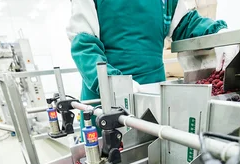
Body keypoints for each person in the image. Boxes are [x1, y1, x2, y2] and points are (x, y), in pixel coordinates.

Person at [67, 0, 227, 101]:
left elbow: (185, 23)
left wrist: (219, 35)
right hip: (106, 99)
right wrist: (113, 83)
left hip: (155, 95)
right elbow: (84, 46)